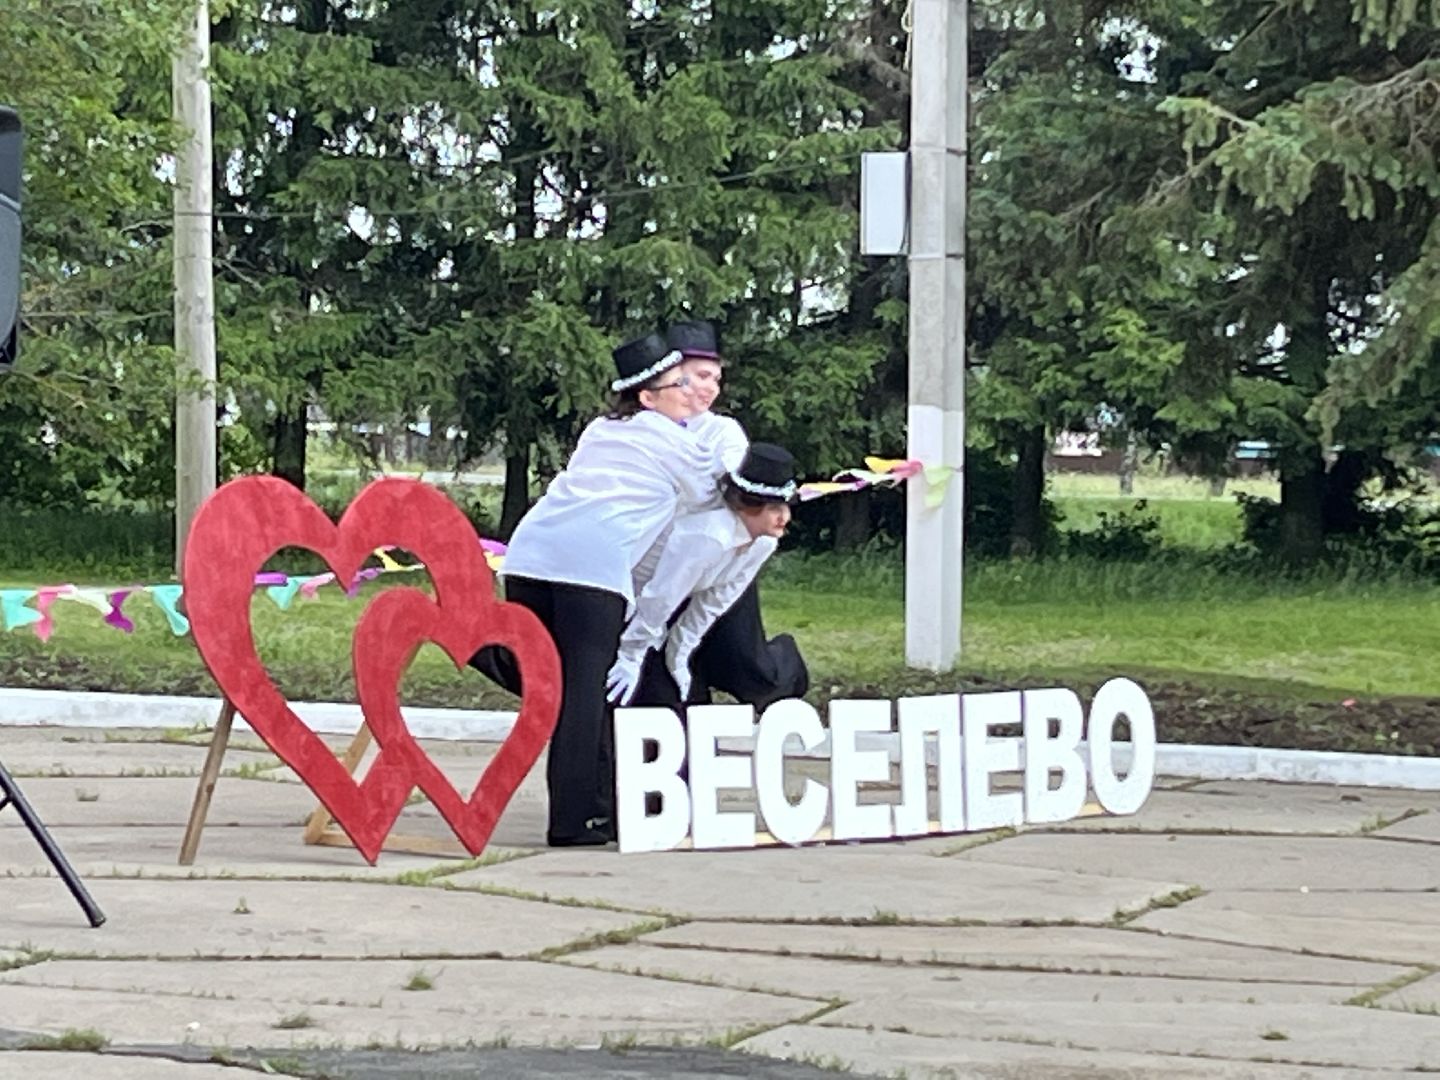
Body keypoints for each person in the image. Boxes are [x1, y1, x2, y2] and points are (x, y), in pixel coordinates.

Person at [494, 332, 722, 846]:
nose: (691, 393)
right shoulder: (673, 440)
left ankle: (484, 651)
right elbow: (712, 491)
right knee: (583, 692)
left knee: (549, 680)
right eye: (680, 385)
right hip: (590, 567)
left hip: (529, 557)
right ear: (648, 397)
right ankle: (573, 820)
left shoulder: (599, 430)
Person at [605, 444, 799, 709]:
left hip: (659, 612)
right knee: (640, 697)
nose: (784, 516)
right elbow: (660, 595)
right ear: (748, 505)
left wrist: (679, 655)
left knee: (679, 697)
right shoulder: (708, 536)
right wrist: (631, 653)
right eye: (774, 508)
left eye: (786, 506)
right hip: (622, 599)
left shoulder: (764, 543)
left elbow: (714, 601)